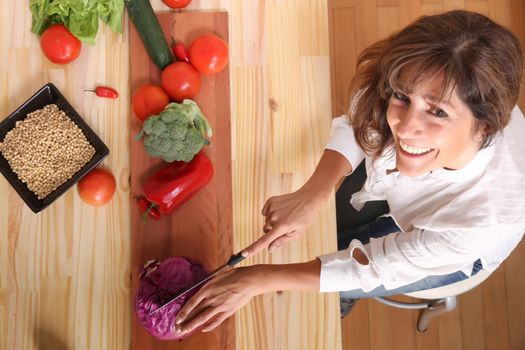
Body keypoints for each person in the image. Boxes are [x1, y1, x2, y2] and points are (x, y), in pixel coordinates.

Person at [174, 9, 525, 334]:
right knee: (334, 233)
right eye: (402, 96)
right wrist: (314, 192)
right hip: (414, 187)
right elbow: (363, 122)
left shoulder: (481, 222)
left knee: (342, 254)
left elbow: (372, 268)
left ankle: (341, 298)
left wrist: (255, 279)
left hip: (453, 251)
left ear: (485, 129)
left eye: (437, 113)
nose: (403, 127)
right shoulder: (409, 105)